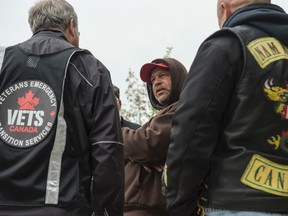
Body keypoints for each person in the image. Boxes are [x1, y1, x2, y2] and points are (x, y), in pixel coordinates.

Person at [164, 0, 288, 215]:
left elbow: (191, 130)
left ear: (224, 8)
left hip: (236, 202)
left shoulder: (228, 43)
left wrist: (177, 202)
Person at [0, 0, 124, 215]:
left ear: (34, 27)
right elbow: (107, 147)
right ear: (72, 26)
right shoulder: (88, 67)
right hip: (61, 206)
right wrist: (106, 210)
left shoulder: (3, 61)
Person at [122, 57, 187, 216]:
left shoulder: (183, 109)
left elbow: (146, 145)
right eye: (152, 79)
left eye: (162, 75)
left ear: (179, 77)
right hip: (133, 207)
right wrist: (136, 154)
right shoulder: (161, 116)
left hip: (147, 209)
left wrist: (116, 133)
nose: (156, 82)